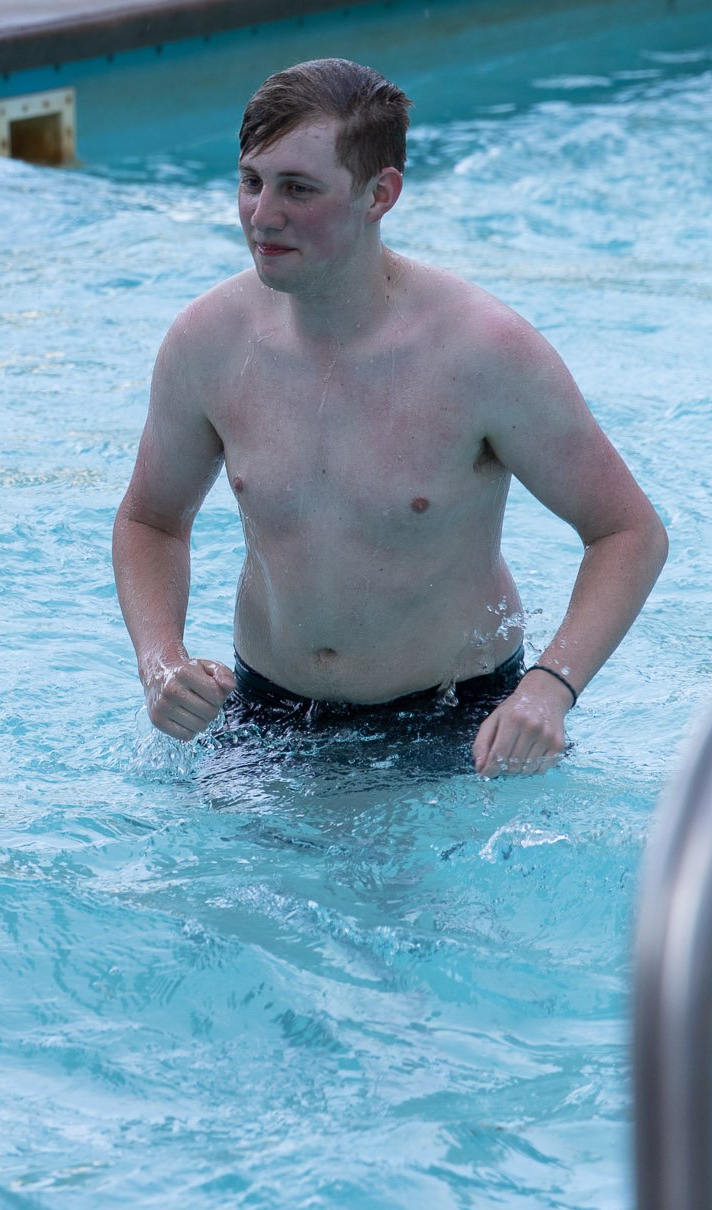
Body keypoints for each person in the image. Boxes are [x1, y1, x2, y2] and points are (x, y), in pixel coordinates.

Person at [112, 59, 667, 777]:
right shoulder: (208, 342)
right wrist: (161, 661)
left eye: (298, 188)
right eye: (251, 181)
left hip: (458, 722)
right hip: (267, 712)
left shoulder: (483, 353)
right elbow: (151, 521)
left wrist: (550, 688)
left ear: (380, 194)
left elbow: (628, 532)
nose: (262, 214)